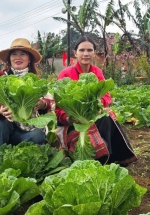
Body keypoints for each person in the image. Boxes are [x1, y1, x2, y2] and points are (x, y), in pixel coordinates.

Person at [55, 36, 137, 166]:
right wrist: (69, 118)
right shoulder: (66, 74)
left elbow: (106, 95)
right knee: (105, 118)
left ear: (94, 53)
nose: (86, 54)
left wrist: (98, 105)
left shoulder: (97, 72)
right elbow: (58, 107)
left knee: (107, 114)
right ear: (75, 53)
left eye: (89, 50)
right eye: (82, 50)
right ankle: (105, 158)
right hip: (73, 122)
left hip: (92, 116)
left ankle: (115, 156)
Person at [0, 38, 53, 156]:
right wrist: (0, 109)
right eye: (14, 54)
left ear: (29, 59)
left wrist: (43, 104)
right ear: (9, 58)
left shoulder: (35, 79)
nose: (18, 57)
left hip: (24, 131)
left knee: (37, 135)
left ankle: (19, 157)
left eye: (23, 54)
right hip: (2, 128)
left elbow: (48, 101)